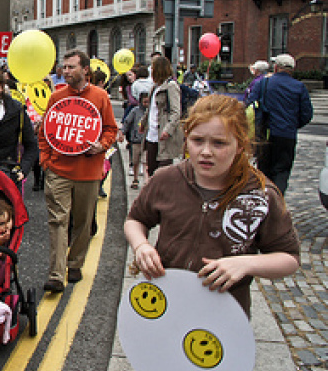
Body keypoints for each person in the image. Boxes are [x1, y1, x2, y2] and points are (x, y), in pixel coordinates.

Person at [125, 94, 300, 317]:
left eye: (219, 143)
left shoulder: (261, 194)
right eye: (198, 141)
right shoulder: (166, 179)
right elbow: (136, 220)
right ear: (186, 139)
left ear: (240, 145)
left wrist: (246, 264)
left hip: (224, 315)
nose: (206, 151)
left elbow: (289, 258)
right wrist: (141, 246)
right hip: (165, 305)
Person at [39, 50, 118, 293]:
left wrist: (101, 146)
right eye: (64, 67)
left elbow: (111, 130)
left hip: (88, 172)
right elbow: (45, 132)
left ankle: (75, 263)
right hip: (59, 170)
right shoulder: (56, 97)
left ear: (85, 69)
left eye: (71, 66)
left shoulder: (101, 96)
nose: (65, 71)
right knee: (58, 221)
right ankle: (55, 273)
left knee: (83, 223)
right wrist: (46, 161)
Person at [252, 53, 313, 195]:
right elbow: (307, 114)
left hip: (266, 133)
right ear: (292, 69)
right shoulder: (299, 87)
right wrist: (292, 124)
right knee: (282, 171)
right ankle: (277, 200)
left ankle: (263, 199)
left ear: (276, 67)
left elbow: (251, 104)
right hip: (287, 135)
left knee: (264, 170)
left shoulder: (264, 83)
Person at [140, 56, 183, 176]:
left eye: (153, 68)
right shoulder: (155, 87)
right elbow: (150, 109)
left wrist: (168, 130)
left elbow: (176, 111)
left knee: (163, 170)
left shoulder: (171, 86)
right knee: (151, 167)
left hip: (163, 133)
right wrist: (143, 123)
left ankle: (162, 194)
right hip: (152, 133)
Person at [123, 93, 149, 190]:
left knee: (146, 161)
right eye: (144, 102)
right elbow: (127, 122)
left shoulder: (152, 112)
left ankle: (146, 181)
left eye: (148, 102)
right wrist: (122, 132)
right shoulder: (135, 111)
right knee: (135, 161)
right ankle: (135, 178)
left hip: (147, 140)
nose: (146, 104)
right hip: (136, 140)